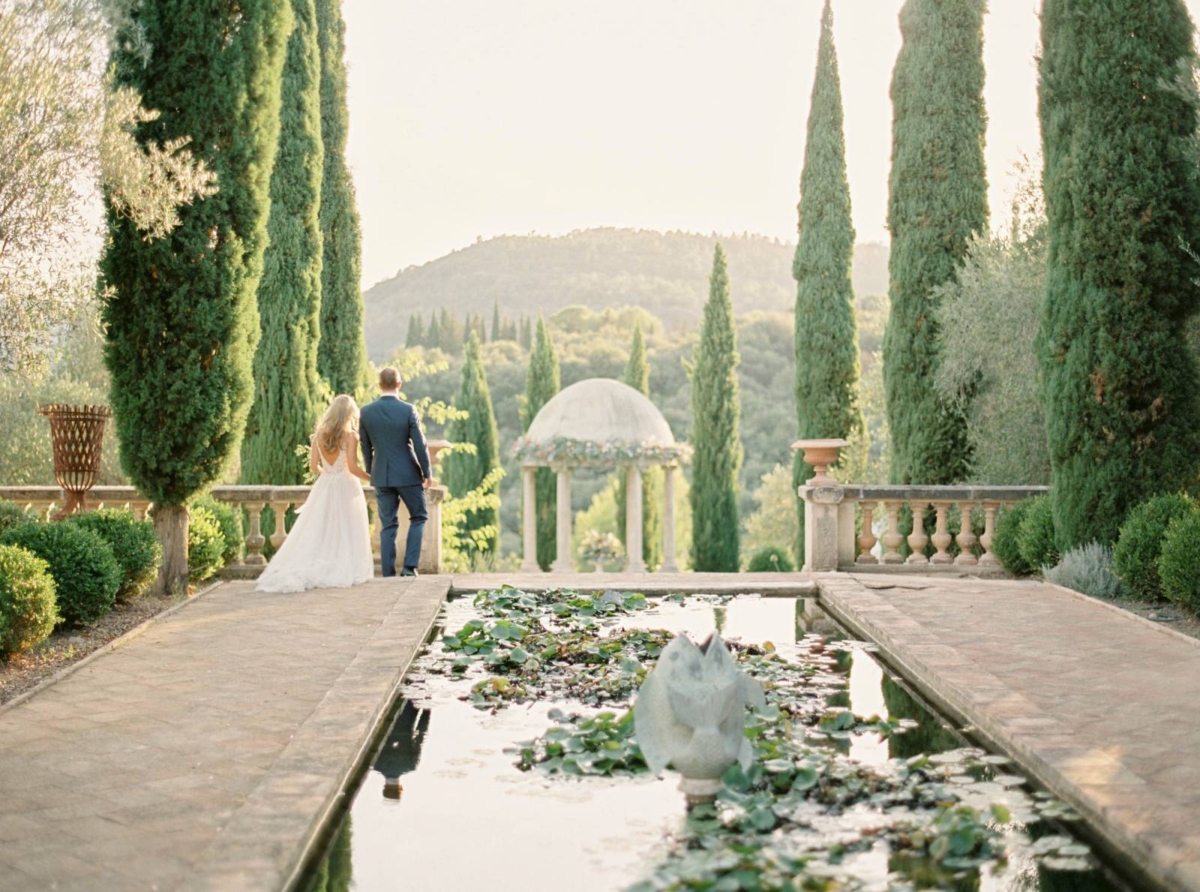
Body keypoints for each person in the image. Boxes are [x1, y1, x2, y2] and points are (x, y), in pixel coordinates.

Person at [255, 394, 374, 593]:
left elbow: (313, 466)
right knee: (346, 526)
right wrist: (371, 478)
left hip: (325, 486)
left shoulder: (319, 434)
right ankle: (344, 566)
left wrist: (328, 474)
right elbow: (353, 468)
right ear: (349, 414)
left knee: (322, 527)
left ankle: (320, 561)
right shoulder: (351, 436)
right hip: (346, 486)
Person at [360, 366, 432, 577]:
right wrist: (427, 472)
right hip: (408, 474)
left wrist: (371, 470)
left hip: (381, 475)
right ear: (399, 384)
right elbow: (420, 444)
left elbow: (365, 446)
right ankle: (409, 567)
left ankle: (388, 573)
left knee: (388, 525)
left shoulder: (366, 411)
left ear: (379, 385)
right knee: (419, 516)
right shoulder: (408, 410)